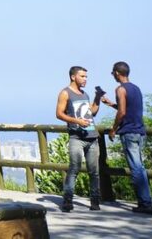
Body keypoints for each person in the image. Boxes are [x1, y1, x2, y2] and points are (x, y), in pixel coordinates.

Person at [101, 61, 152, 215]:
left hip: (129, 132)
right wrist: (111, 104)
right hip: (140, 131)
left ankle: (145, 204)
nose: (113, 76)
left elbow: (123, 112)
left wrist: (113, 129)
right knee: (141, 167)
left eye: (113, 73)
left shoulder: (120, 89)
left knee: (136, 168)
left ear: (117, 73)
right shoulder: (136, 88)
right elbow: (129, 108)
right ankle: (147, 201)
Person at [56, 65, 102, 212]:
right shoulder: (65, 93)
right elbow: (59, 114)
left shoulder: (85, 94)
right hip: (76, 137)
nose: (85, 79)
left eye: (86, 76)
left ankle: (95, 201)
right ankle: (68, 200)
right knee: (74, 168)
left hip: (92, 136)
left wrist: (98, 97)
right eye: (82, 76)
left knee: (94, 171)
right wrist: (77, 122)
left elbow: (92, 112)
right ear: (73, 76)